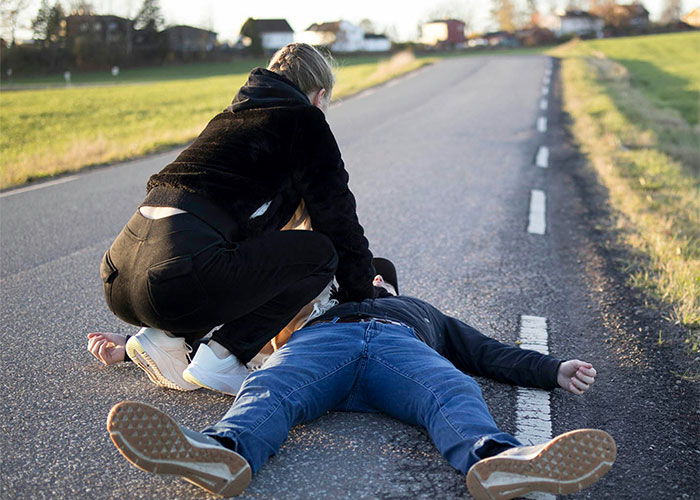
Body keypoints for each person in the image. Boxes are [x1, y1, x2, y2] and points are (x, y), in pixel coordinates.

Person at [105, 275, 616, 500]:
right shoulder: (313, 310)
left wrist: (552, 369)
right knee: (271, 386)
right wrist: (131, 345)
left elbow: (486, 353)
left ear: (391, 286)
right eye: (361, 275)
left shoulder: (420, 312)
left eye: (378, 277)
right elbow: (225, 326)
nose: (370, 279)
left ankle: (496, 459)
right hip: (324, 346)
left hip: (400, 352)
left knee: (454, 388)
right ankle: (222, 451)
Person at [98, 43, 381, 396]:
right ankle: (223, 356)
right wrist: (363, 295)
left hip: (119, 276)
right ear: (320, 95)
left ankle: (162, 337)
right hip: (176, 276)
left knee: (231, 255)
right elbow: (340, 223)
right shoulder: (305, 120)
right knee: (321, 253)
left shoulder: (227, 120)